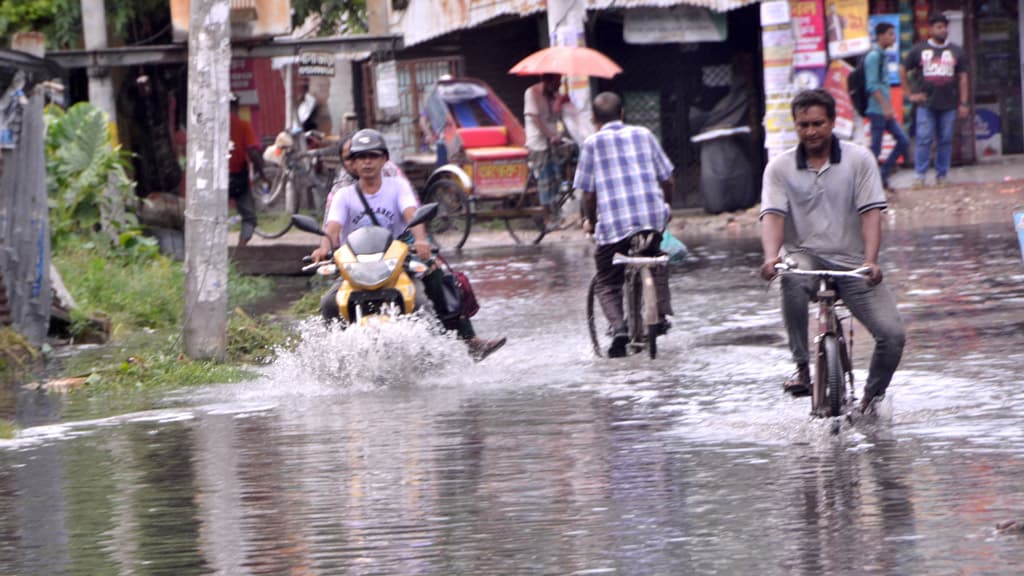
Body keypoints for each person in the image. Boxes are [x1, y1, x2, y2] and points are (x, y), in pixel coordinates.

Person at [759, 89, 906, 414]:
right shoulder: (779, 168)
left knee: (893, 335)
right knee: (791, 277)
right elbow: (773, 216)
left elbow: (871, 213)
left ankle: (871, 401)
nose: (810, 131)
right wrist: (771, 257)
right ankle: (801, 367)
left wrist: (871, 260)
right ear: (795, 126)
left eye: (817, 123)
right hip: (806, 257)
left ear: (832, 122)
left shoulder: (859, 159)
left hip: (853, 263)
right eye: (803, 125)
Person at [310, 129, 506, 361]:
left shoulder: (398, 186)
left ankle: (468, 340)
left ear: (384, 159)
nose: (367, 162)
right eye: (361, 157)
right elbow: (332, 227)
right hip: (357, 262)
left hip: (398, 255)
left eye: (373, 156)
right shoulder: (343, 195)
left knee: (439, 281)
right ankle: (329, 359)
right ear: (351, 163)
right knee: (328, 303)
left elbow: (412, 214)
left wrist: (421, 241)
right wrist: (323, 247)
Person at [573, 92, 675, 358]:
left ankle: (619, 327)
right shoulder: (644, 134)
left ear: (594, 119)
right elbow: (668, 179)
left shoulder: (592, 143)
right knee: (657, 258)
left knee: (606, 279)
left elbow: (587, 193)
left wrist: (592, 223)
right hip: (651, 218)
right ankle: (661, 313)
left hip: (615, 225)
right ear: (622, 114)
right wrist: (666, 210)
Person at [900, 12, 969, 188]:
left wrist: (964, 103)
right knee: (924, 139)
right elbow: (902, 69)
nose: (943, 30)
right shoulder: (919, 49)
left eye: (945, 27)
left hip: (949, 104)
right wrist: (909, 94)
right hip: (926, 104)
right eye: (939, 27)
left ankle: (942, 176)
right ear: (930, 29)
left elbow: (963, 78)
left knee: (945, 140)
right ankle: (920, 176)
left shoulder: (956, 51)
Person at [866, 21, 910, 192]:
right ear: (881, 36)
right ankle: (869, 185)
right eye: (891, 34)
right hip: (877, 111)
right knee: (874, 151)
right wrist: (885, 107)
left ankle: (882, 175)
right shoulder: (874, 56)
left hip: (885, 110)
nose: (894, 37)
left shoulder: (882, 55)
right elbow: (872, 86)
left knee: (903, 141)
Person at [524, 73, 567, 228]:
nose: (558, 86)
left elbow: (557, 116)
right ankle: (547, 218)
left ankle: (557, 214)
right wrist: (550, 135)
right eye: (556, 82)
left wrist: (559, 101)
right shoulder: (531, 93)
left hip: (553, 142)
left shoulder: (552, 95)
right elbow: (535, 119)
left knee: (556, 178)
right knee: (545, 180)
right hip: (538, 143)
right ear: (547, 81)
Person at [229, 94, 266, 248]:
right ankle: (241, 248)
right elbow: (252, 152)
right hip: (238, 178)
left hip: (215, 180)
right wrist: (262, 173)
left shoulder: (212, 126)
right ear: (236, 106)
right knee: (249, 218)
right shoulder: (242, 125)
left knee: (212, 217)